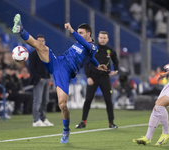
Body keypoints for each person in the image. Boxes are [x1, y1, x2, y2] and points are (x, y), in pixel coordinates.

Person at [12, 14, 108, 143]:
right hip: (58, 61)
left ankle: (66, 130)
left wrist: (72, 30)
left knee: (62, 104)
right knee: (40, 46)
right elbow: (91, 58)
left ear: (88, 34)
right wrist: (97, 65)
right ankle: (20, 29)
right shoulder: (81, 44)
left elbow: (89, 50)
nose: (78, 35)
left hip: (65, 72)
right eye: (78, 32)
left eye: (81, 33)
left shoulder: (93, 47)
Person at [133, 23, 169, 146]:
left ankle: (166, 133)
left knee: (159, 104)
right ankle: (147, 137)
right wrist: (166, 74)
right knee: (156, 108)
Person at [75, 31, 119, 129]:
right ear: (98, 38)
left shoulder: (111, 51)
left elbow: (116, 61)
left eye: (104, 38)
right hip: (93, 78)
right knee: (88, 100)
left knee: (108, 101)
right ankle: (83, 122)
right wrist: (88, 77)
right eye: (101, 37)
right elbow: (86, 63)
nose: (102, 39)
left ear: (107, 39)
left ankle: (111, 123)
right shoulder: (92, 49)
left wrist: (115, 70)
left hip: (105, 78)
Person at [28, 34, 53, 127]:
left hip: (46, 79)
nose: (41, 42)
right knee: (37, 100)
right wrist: (39, 78)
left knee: (45, 100)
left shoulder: (47, 53)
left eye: (42, 41)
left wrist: (48, 76)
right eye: (39, 41)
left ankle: (43, 118)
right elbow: (31, 69)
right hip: (38, 80)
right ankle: (36, 120)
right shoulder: (33, 54)